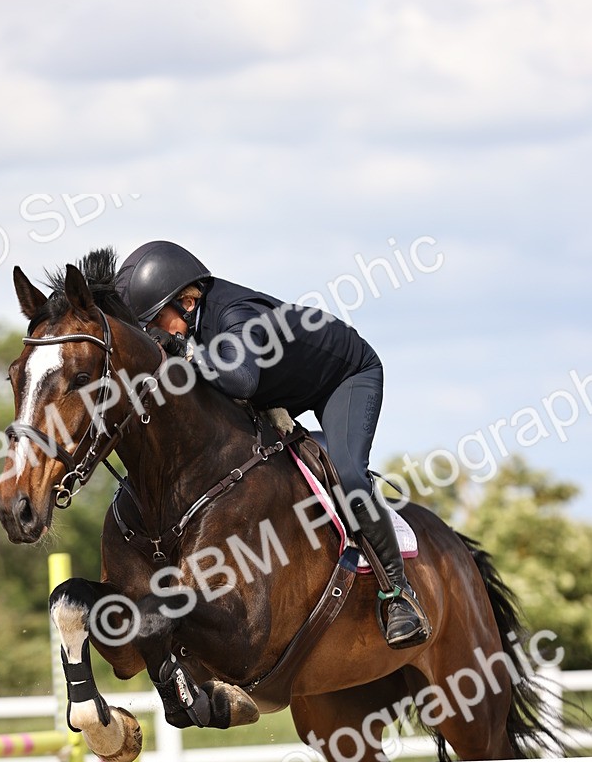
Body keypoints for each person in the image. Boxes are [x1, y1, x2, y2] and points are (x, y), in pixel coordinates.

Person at [115, 241, 429, 648]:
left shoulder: (237, 315)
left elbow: (241, 379)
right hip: (280, 386)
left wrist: (183, 350)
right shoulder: (194, 321)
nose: (154, 335)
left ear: (187, 303)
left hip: (344, 378)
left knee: (349, 474)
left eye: (156, 322)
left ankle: (398, 595)